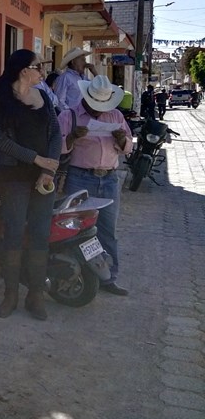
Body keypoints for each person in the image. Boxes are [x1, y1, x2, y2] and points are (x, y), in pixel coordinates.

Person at [0, 49, 62, 321]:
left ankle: (36, 295)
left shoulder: (43, 97)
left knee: (41, 234)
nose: (42, 71)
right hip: (14, 176)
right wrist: (37, 159)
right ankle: (10, 295)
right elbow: (0, 141)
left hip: (44, 176)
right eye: (37, 66)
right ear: (22, 70)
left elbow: (56, 133)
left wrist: (49, 168)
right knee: (15, 233)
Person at [58, 75, 133, 296]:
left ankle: (109, 278)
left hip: (109, 178)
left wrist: (121, 140)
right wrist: (71, 138)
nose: (99, 111)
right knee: (76, 228)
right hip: (80, 177)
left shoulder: (116, 115)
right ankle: (80, 273)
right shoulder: (69, 115)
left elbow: (128, 147)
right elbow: (57, 147)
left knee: (107, 230)